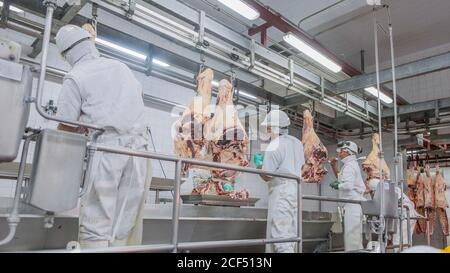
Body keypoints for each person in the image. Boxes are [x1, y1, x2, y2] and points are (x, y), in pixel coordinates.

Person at [55, 24, 149, 248]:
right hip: (141, 154)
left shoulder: (74, 76)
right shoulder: (120, 67)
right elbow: (134, 102)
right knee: (125, 225)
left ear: (67, 54)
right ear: (89, 43)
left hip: (108, 153)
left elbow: (65, 127)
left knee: (96, 224)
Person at [257, 110, 304, 253]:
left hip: (282, 191)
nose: (268, 131)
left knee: (280, 236)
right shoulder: (297, 143)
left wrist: (259, 167)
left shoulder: (274, 144)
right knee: (291, 234)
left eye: (269, 128)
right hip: (296, 191)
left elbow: (267, 176)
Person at [329, 141, 366, 251]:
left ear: (346, 151)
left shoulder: (350, 166)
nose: (339, 154)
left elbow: (348, 185)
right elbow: (341, 178)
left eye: (340, 152)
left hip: (352, 205)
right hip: (352, 205)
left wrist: (338, 186)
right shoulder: (350, 165)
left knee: (352, 238)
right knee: (353, 237)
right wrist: (333, 166)